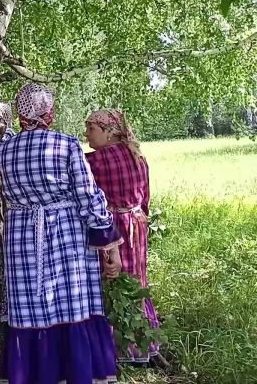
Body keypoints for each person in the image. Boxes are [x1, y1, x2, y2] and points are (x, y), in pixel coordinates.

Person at [0, 83, 123, 384]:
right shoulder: (67, 145)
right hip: (67, 236)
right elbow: (89, 197)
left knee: (29, 306)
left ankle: (35, 374)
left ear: (20, 115)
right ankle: (76, 372)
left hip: (21, 238)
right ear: (50, 113)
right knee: (73, 303)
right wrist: (108, 243)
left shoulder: (3, 149)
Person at [85, 109, 160, 364]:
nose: (86, 135)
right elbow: (146, 196)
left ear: (108, 132)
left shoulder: (96, 161)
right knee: (137, 281)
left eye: (91, 129)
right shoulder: (138, 156)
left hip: (113, 227)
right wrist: (140, 219)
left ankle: (118, 348)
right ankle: (144, 341)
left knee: (111, 280)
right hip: (137, 223)